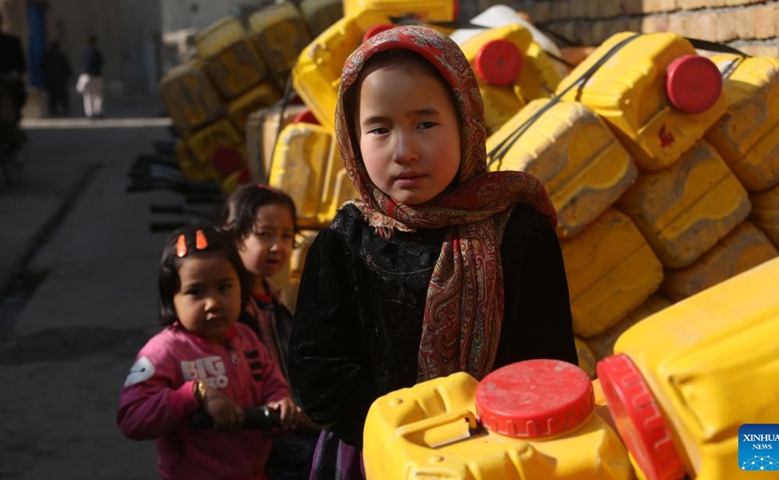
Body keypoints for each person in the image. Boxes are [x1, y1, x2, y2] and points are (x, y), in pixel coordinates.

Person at [287, 26, 579, 479]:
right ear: (352, 137)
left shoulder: (518, 232)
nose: (404, 151)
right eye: (379, 129)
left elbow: (548, 365)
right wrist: (416, 431)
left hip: (505, 457)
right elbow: (318, 374)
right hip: (379, 458)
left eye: (425, 123)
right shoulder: (345, 242)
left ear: (466, 121)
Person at [117, 224, 303, 480]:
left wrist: (281, 402)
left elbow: (271, 382)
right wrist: (193, 394)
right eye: (196, 292)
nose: (213, 302)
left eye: (224, 287)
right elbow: (131, 417)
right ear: (171, 298)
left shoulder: (246, 338)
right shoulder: (165, 351)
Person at [220, 183, 319, 480]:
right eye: (264, 234)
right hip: (259, 430)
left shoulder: (274, 300)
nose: (277, 246)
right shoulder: (229, 310)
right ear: (233, 234)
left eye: (286, 236)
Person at [0, 11, 27, 152]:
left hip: (7, 87)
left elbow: (21, 65)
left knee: (7, 118)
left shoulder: (11, 42)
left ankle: (15, 145)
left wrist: (14, 74)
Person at [40, 40, 72, 116]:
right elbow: (67, 67)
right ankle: (64, 109)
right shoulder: (60, 55)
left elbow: (42, 66)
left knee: (53, 96)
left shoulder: (47, 55)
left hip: (51, 79)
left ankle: (53, 110)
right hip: (60, 80)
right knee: (62, 95)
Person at [78, 34, 104, 118]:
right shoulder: (96, 51)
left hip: (86, 76)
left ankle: (90, 113)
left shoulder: (84, 52)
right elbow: (101, 61)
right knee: (98, 95)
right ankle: (98, 111)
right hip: (95, 76)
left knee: (87, 96)